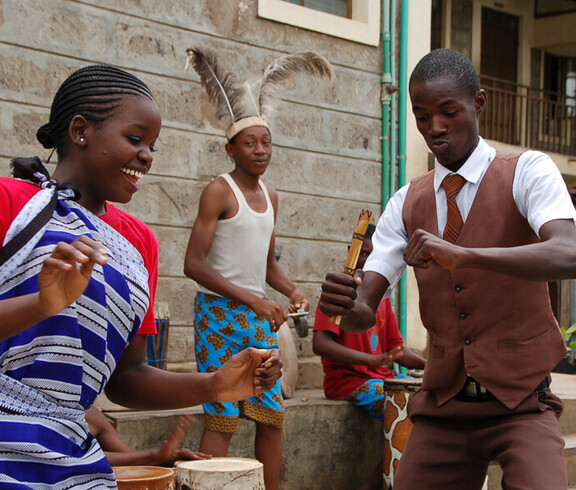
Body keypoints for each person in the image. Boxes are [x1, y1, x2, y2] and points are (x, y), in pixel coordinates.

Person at [0, 64, 282, 489]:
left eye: (153, 145)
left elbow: (127, 379)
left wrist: (214, 384)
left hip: (75, 464)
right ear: (80, 131)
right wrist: (41, 305)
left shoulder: (137, 244)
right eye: (135, 139)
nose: (148, 155)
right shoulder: (11, 202)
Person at [319, 48, 576, 490]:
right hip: (445, 407)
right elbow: (366, 306)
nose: (434, 128)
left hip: (522, 404)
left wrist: (467, 254)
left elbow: (568, 252)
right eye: (421, 117)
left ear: (477, 103)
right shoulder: (406, 201)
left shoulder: (527, 172)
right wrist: (346, 303)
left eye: (448, 112)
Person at [183, 47, 332, 489]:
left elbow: (267, 265)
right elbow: (193, 264)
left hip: (259, 316)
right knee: (224, 415)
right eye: (249, 142)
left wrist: (290, 292)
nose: (260, 150)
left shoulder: (272, 196)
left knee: (270, 417)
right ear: (230, 147)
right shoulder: (218, 191)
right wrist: (253, 300)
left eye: (266, 142)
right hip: (219, 317)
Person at [313, 223, 426, 490]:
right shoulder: (339, 292)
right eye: (362, 253)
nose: (367, 260)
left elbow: (398, 350)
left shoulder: (381, 297)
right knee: (408, 414)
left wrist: (431, 366)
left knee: (431, 403)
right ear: (350, 253)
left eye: (374, 254)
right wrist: (370, 361)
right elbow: (320, 343)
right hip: (350, 383)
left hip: (381, 377)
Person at [86, 407, 211, 467]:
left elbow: (134, 464)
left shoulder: (91, 414)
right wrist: (154, 455)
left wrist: (171, 458)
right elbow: (75, 460)